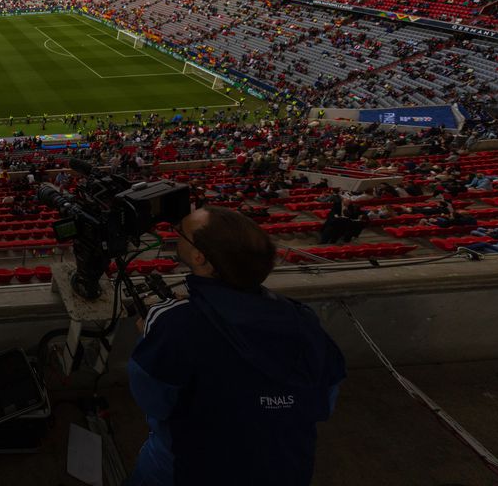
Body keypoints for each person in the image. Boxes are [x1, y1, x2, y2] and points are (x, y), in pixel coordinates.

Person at [128, 206, 345, 486]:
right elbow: (324, 399)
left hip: (192, 468)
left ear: (199, 257)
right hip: (285, 467)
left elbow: (153, 400)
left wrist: (151, 336)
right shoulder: (303, 319)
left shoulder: (174, 324)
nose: (176, 233)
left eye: (181, 232)